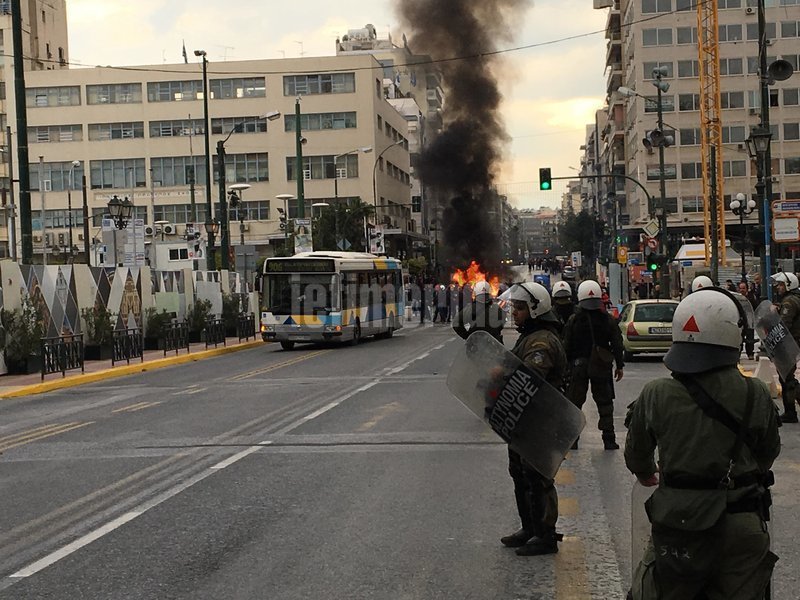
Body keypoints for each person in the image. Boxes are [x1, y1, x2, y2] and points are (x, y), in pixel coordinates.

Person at [625, 287, 780, 600]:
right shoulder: (756, 394)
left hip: (678, 523)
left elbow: (637, 455)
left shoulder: (656, 393)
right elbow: (768, 453)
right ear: (733, 335)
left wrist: (646, 472)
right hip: (741, 522)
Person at [499, 282, 567, 556]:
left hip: (540, 420)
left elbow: (529, 377)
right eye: (514, 307)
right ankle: (530, 528)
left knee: (537, 476)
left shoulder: (541, 340)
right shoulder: (529, 336)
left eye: (520, 308)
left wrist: (501, 374)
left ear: (536, 310)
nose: (514, 313)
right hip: (523, 420)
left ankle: (545, 535)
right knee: (520, 474)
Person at [563, 280, 625, 450]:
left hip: (578, 366)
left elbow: (566, 345)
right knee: (605, 403)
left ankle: (573, 440)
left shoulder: (574, 320)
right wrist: (619, 365)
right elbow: (617, 344)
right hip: (601, 366)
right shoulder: (608, 320)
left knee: (574, 403)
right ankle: (609, 439)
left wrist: (565, 368)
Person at [771, 271, 800, 423]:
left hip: (790, 343)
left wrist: (774, 314)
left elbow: (783, 324)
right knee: (786, 376)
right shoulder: (793, 299)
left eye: (781, 284)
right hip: (794, 342)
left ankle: (790, 413)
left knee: (787, 377)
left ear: (789, 285)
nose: (778, 287)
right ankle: (790, 412)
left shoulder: (789, 302)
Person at [738, 280, 756, 359]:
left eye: (743, 288)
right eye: (740, 288)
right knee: (739, 338)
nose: (742, 290)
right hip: (740, 321)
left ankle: (750, 353)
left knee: (750, 338)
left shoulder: (751, 297)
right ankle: (738, 352)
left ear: (747, 289)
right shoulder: (737, 297)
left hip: (749, 320)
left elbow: (755, 307)